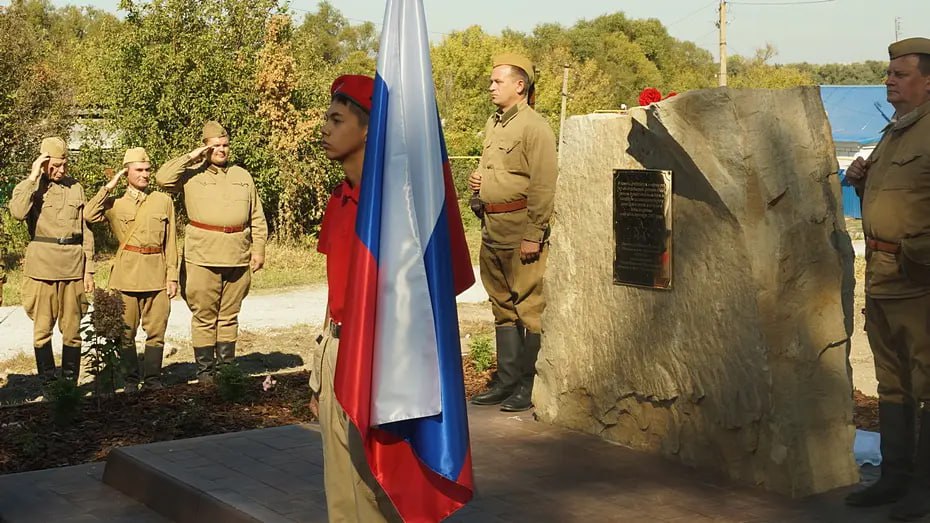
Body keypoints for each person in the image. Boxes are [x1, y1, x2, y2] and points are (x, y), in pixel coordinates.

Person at [844, 37, 930, 521]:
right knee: (892, 384)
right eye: (889, 72)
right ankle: (895, 477)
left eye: (900, 74)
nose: (889, 80)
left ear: (928, 82)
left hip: (919, 277)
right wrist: (861, 178)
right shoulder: (896, 130)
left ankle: (924, 485)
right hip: (881, 275)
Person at [310, 74, 396, 523]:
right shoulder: (338, 200)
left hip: (378, 354)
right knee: (340, 483)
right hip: (337, 348)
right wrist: (319, 369)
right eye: (327, 117)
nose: (325, 127)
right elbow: (334, 289)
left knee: (377, 483)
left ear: (367, 130)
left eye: (337, 119)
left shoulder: (392, 208)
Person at [468, 53, 558, 412]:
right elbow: (498, 171)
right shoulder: (496, 123)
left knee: (530, 309)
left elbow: (543, 185)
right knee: (502, 308)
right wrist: (479, 185)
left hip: (521, 230)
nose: (491, 87)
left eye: (497, 81)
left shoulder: (535, 127)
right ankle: (506, 382)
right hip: (492, 229)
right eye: (491, 82)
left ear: (519, 86)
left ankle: (528, 384)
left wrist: (534, 233)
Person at [155, 122, 267, 383]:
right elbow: (162, 178)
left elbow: (257, 217)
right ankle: (206, 374)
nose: (221, 150)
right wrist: (192, 156)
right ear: (205, 146)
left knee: (229, 315)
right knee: (205, 316)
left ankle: (227, 370)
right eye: (215, 146)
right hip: (203, 255)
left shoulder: (243, 175)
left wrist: (258, 248)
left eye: (225, 145)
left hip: (238, 252)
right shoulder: (191, 174)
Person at [85, 147, 178, 390]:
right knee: (125, 334)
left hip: (156, 273)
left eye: (148, 170)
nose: (145, 175)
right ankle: (129, 381)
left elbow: (171, 242)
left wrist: (173, 276)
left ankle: (153, 380)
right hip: (127, 275)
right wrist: (109, 186)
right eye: (139, 170)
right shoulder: (114, 203)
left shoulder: (163, 201)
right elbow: (88, 214)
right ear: (127, 172)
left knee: (157, 330)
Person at [9, 137, 94, 382]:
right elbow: (17, 213)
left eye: (64, 164)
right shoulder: (30, 187)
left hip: (73, 266)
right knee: (42, 330)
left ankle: (69, 384)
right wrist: (33, 176)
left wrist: (89, 269)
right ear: (44, 163)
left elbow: (85, 230)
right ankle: (48, 382)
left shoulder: (75, 187)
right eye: (55, 165)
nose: (61, 170)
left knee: (73, 331)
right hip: (42, 268)